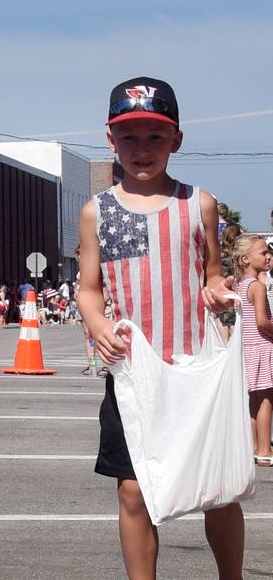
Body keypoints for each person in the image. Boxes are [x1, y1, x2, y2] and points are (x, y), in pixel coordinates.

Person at [78, 76, 243, 579]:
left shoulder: (200, 204)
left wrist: (218, 292)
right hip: (133, 375)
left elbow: (211, 274)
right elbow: (89, 286)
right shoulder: (97, 211)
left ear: (177, 139)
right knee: (132, 489)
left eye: (155, 136)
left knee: (219, 488)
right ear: (111, 140)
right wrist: (97, 320)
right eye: (129, 136)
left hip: (197, 368)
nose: (141, 148)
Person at [232, 234, 273, 466]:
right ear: (246, 259)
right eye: (263, 253)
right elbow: (261, 321)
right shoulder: (257, 286)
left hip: (247, 348)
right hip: (262, 346)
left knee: (254, 402)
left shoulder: (241, 284)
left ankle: (254, 447)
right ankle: (266, 449)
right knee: (266, 400)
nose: (268, 256)